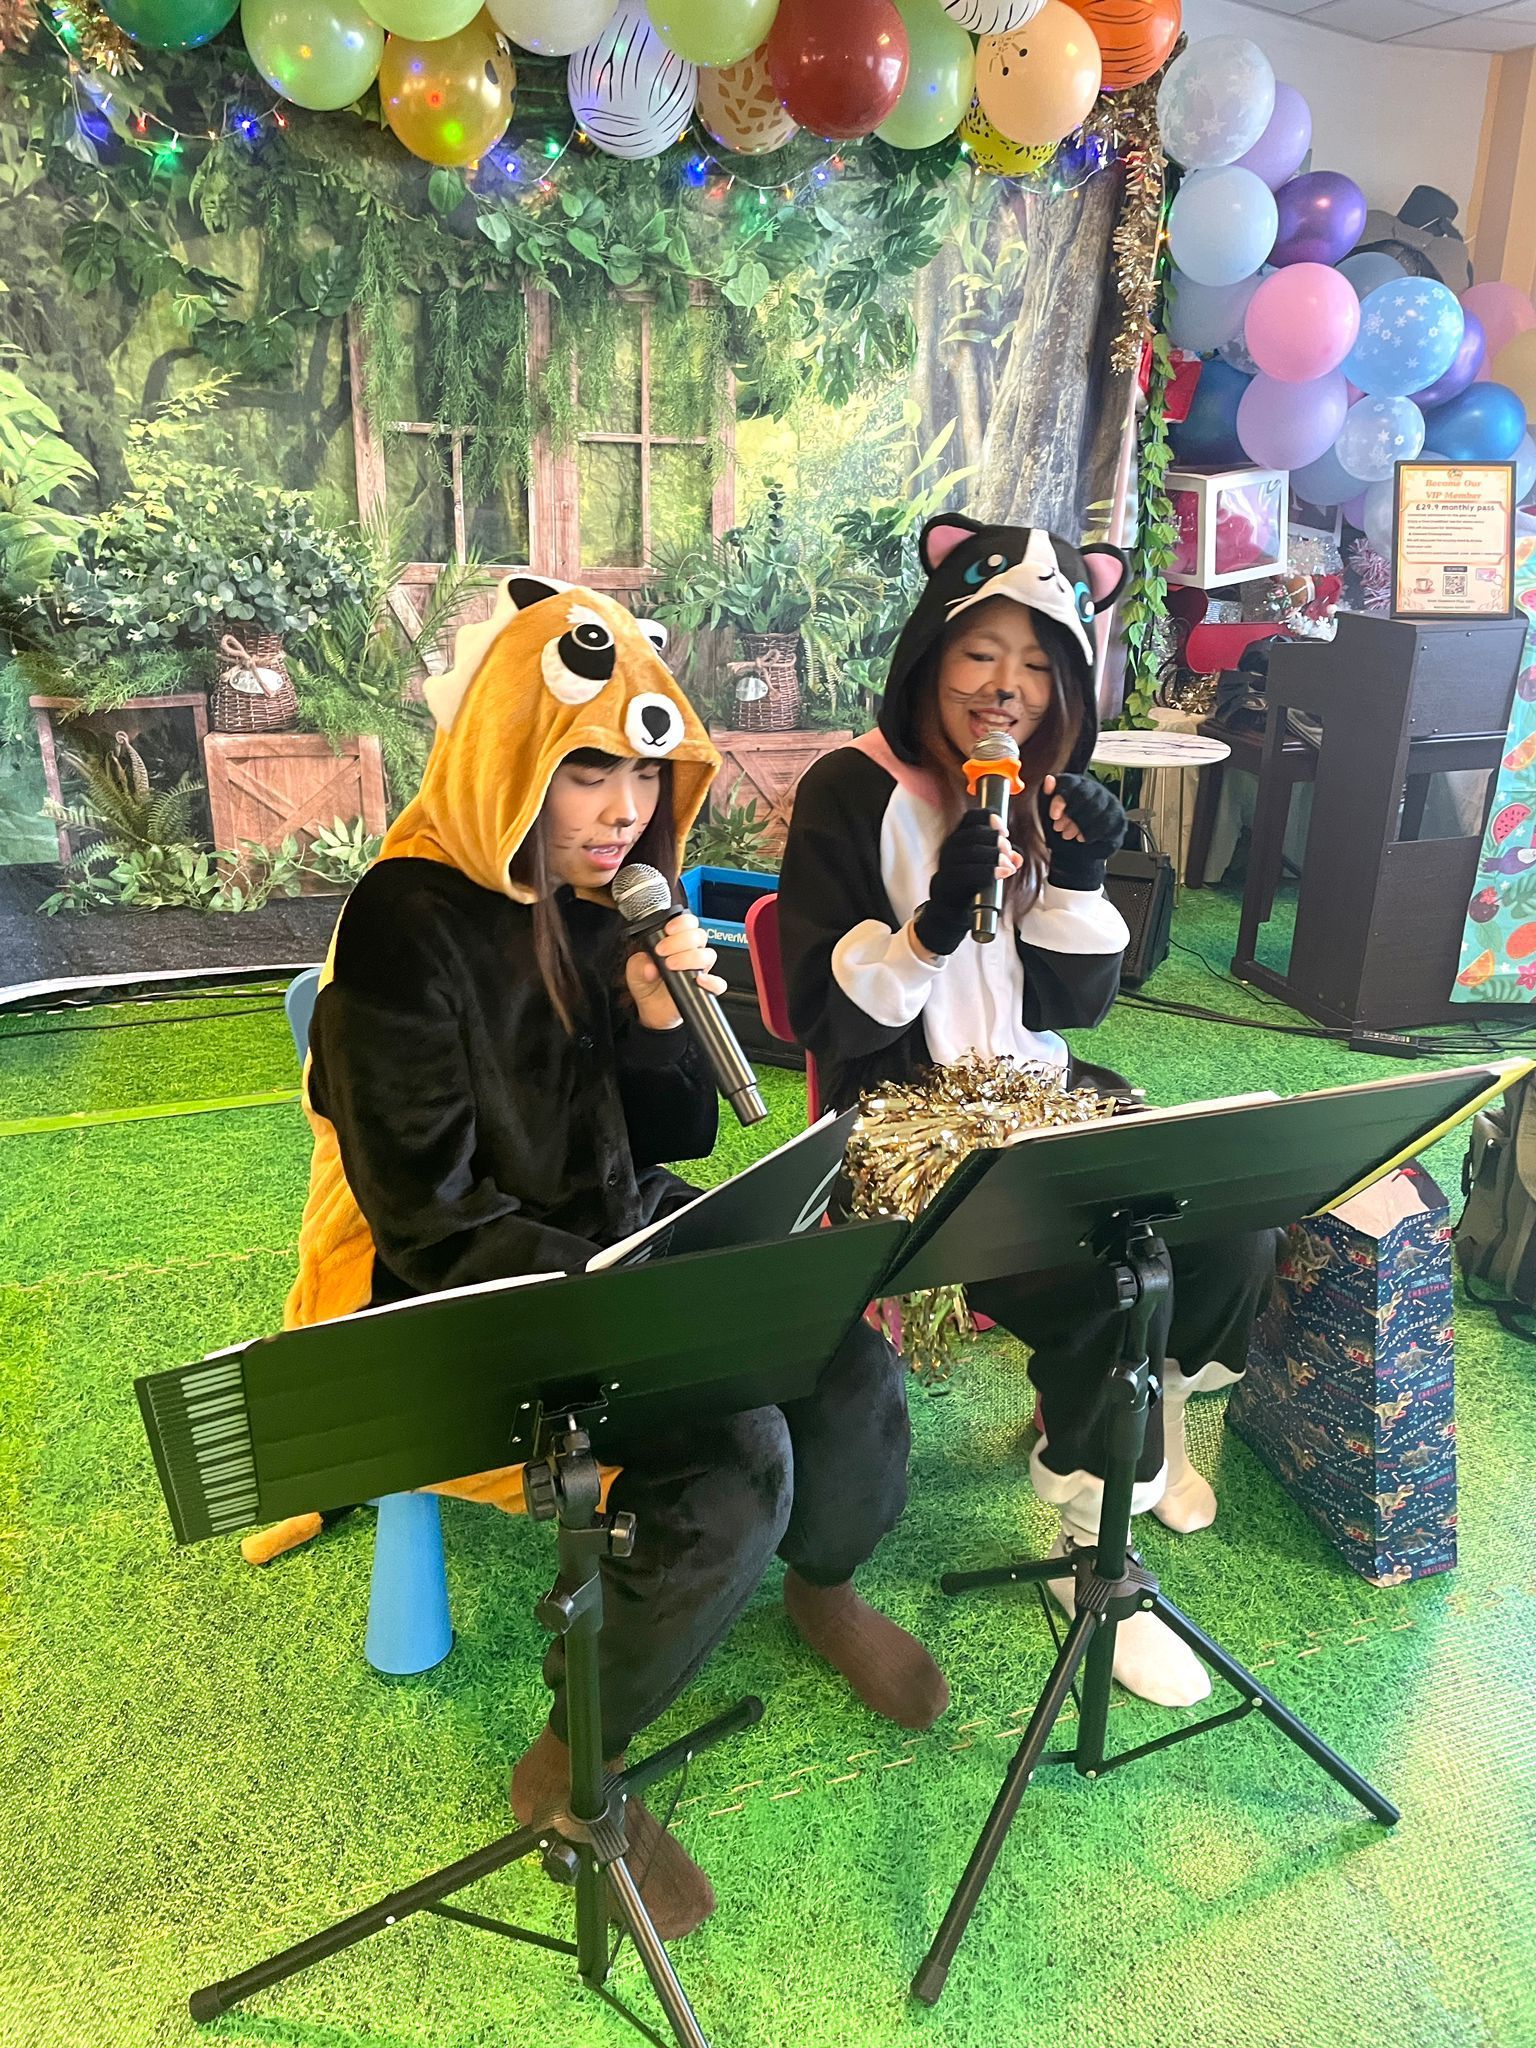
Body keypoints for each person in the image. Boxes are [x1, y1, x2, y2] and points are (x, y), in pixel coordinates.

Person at [285, 574, 947, 1940]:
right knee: (735, 1461)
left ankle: (822, 1585)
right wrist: (644, 1290)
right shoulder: (404, 927)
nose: (625, 810)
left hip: (616, 1231)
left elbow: (665, 1134)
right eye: (589, 768)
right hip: (471, 1288)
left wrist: (652, 1021)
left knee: (843, 1349)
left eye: (646, 773)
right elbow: (428, 1221)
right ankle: (572, 1749)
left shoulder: (607, 902)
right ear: (509, 753)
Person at [778, 515, 1276, 1710]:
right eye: (979, 653)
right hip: (910, 1122)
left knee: (1231, 1230)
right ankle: (1095, 1546)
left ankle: (1132, 1441)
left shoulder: (1040, 795)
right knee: (1113, 1276)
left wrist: (1085, 875)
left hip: (1039, 1093)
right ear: (928, 658)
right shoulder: (850, 790)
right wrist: (928, 926)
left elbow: (1073, 1007)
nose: (1007, 687)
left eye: (1040, 663)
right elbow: (823, 1016)